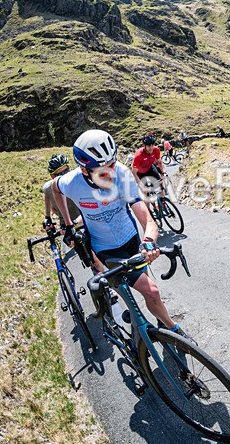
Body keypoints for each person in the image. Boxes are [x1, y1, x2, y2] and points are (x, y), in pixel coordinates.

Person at [53, 129, 193, 341]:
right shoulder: (71, 182)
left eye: (112, 164)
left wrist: (148, 241)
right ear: (84, 170)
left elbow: (147, 220)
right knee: (140, 295)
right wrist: (68, 223)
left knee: (151, 291)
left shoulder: (121, 174)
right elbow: (53, 189)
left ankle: (168, 328)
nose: (110, 172)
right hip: (105, 249)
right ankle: (148, 334)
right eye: (102, 170)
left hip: (130, 240)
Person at [42, 153, 103, 272]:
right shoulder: (49, 188)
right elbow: (48, 198)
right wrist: (47, 217)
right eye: (59, 174)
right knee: (92, 260)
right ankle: (104, 280)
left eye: (66, 171)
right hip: (71, 227)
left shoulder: (78, 180)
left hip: (86, 219)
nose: (64, 176)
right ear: (52, 176)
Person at [131, 133, 167, 208]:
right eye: (148, 145)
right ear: (144, 145)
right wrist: (141, 186)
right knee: (146, 194)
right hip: (140, 173)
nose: (151, 147)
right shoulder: (139, 155)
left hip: (150, 168)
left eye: (152, 145)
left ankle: (163, 205)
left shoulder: (156, 150)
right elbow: (134, 173)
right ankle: (148, 211)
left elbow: (159, 162)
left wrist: (163, 173)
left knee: (160, 187)